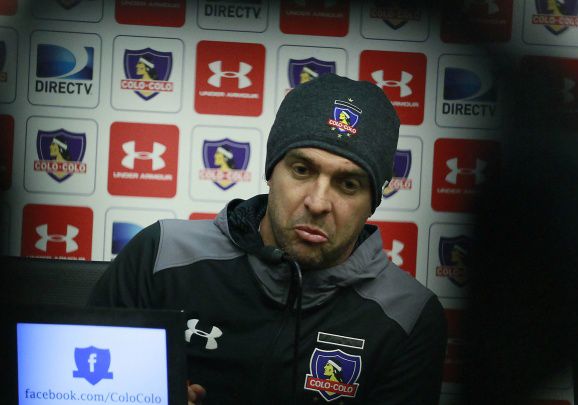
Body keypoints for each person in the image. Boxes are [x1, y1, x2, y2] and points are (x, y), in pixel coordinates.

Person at [89, 74, 446, 404]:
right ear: (271, 170)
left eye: (348, 184)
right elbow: (82, 383)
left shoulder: (408, 315)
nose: (318, 202)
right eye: (302, 170)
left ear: (372, 201)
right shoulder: (162, 253)